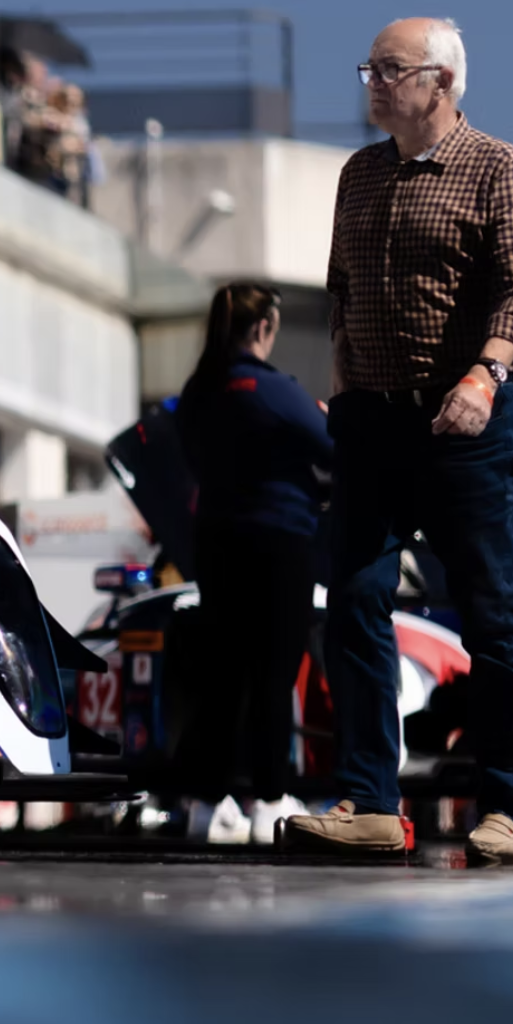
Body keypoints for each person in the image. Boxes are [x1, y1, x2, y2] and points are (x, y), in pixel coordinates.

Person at [286, 18, 513, 863]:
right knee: (354, 600)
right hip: (372, 423)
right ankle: (370, 802)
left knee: (490, 615)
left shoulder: (499, 167)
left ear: (442, 82)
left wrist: (485, 376)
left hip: (467, 422)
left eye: (390, 69)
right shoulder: (358, 174)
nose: (372, 81)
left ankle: (504, 807)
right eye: (369, 68)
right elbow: (342, 288)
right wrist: (344, 385)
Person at [171, 283, 332, 846]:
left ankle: (205, 804)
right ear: (264, 327)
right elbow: (334, 446)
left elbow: (188, 456)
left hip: (216, 542)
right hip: (279, 543)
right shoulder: (275, 390)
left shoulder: (198, 393)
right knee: (273, 673)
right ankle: (270, 800)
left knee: (221, 674)